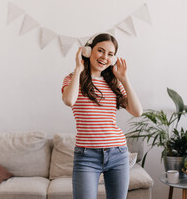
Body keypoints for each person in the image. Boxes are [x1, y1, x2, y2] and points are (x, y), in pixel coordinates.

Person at [61, 33, 143, 199]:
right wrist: (78, 69)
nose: (104, 57)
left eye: (110, 54)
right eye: (100, 51)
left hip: (118, 152)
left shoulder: (113, 83)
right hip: (86, 156)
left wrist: (124, 79)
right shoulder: (72, 79)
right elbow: (69, 100)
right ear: (88, 51)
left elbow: (137, 111)